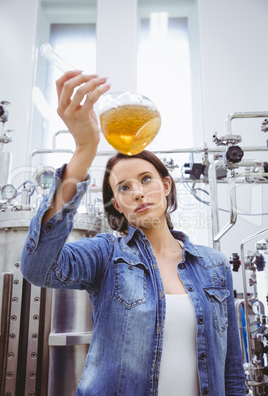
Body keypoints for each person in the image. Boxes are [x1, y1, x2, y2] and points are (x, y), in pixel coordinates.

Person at [21, 71, 246, 396]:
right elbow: (38, 268)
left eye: (146, 179)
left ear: (166, 186)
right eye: (124, 187)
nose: (138, 192)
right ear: (118, 205)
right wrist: (85, 149)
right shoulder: (105, 256)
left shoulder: (215, 266)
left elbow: (232, 372)